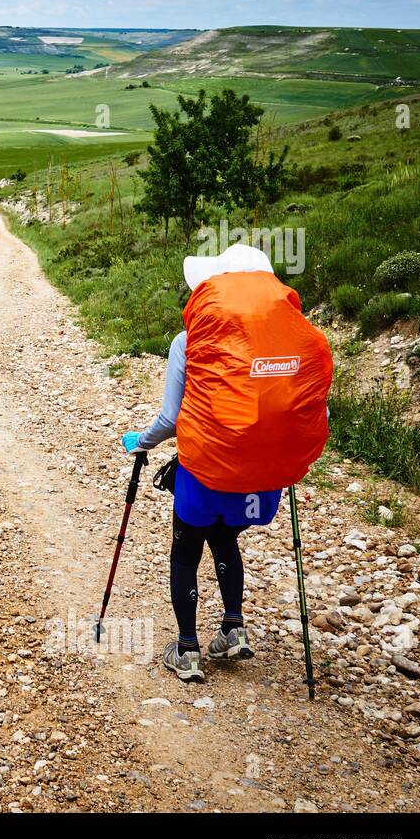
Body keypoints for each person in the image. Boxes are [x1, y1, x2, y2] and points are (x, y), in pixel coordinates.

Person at [121, 243, 332, 684]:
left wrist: (139, 443)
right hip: (262, 480)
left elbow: (171, 419)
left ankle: (188, 650)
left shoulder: (190, 340)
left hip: (205, 474)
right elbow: (315, 414)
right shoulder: (303, 343)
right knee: (225, 541)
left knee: (185, 552)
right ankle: (233, 628)